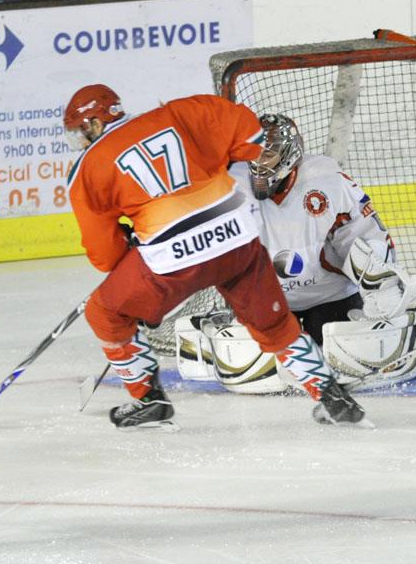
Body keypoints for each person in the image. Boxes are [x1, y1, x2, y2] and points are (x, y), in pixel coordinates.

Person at [62, 85, 373, 430]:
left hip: (174, 258)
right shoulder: (178, 112)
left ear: (94, 123)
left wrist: (133, 251)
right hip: (237, 236)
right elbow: (251, 133)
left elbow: (105, 258)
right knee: (273, 324)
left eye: (80, 132)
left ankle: (149, 401)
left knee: (104, 313)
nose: (81, 141)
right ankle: (333, 398)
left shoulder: (87, 168)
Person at [171, 113, 416, 393]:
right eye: (251, 153)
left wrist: (382, 285)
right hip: (268, 301)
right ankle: (218, 328)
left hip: (329, 297)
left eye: (267, 154)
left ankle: (408, 328)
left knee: (338, 349)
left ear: (289, 154)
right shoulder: (230, 187)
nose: (257, 163)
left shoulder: (327, 180)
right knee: (253, 365)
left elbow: (366, 235)